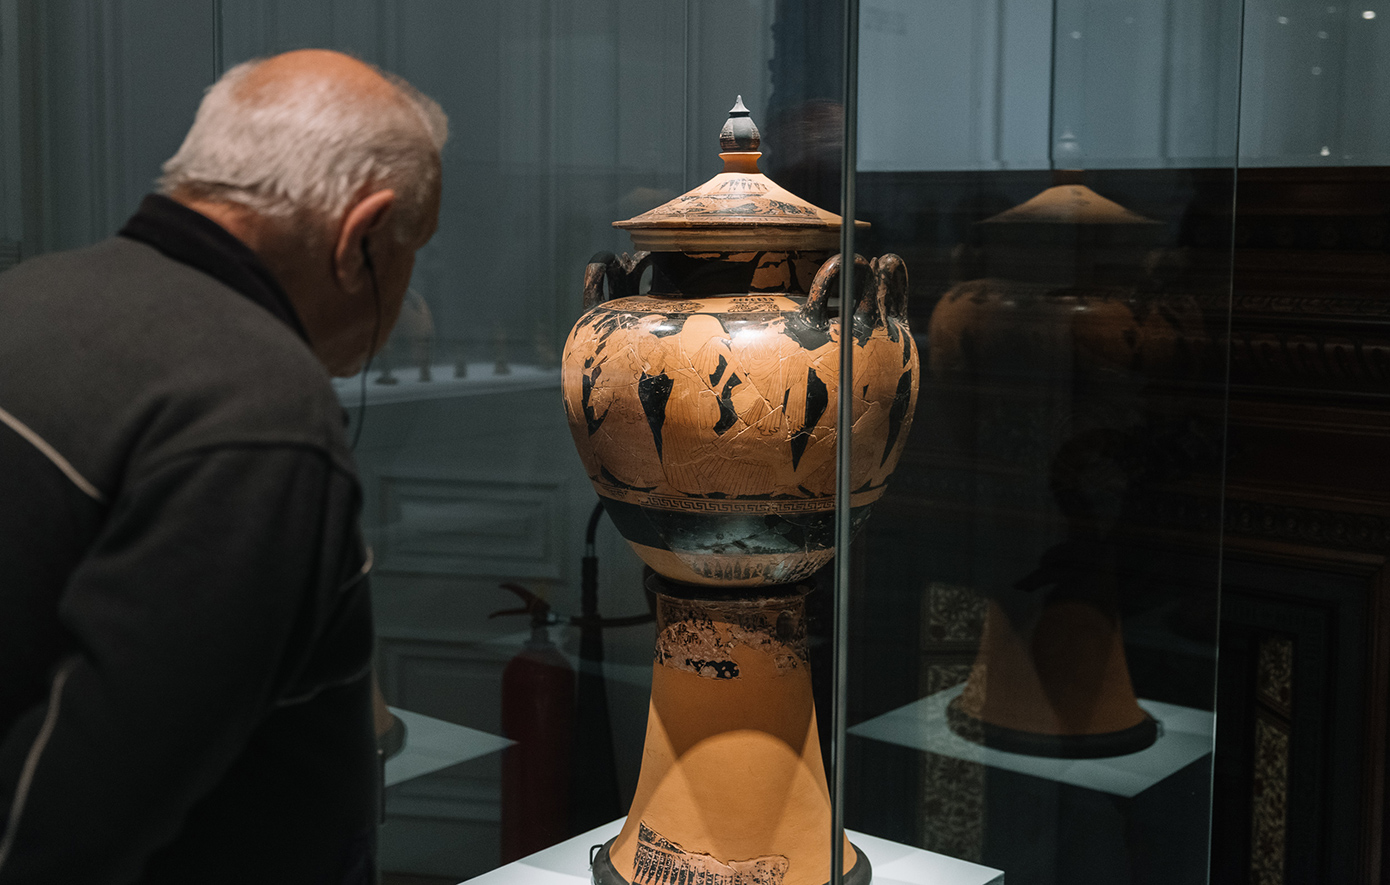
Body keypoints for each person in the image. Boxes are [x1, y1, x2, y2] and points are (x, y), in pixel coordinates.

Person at [0, 49, 446, 884]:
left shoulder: (26, 296)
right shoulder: (261, 410)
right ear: (362, 237)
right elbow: (81, 816)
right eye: (412, 247)